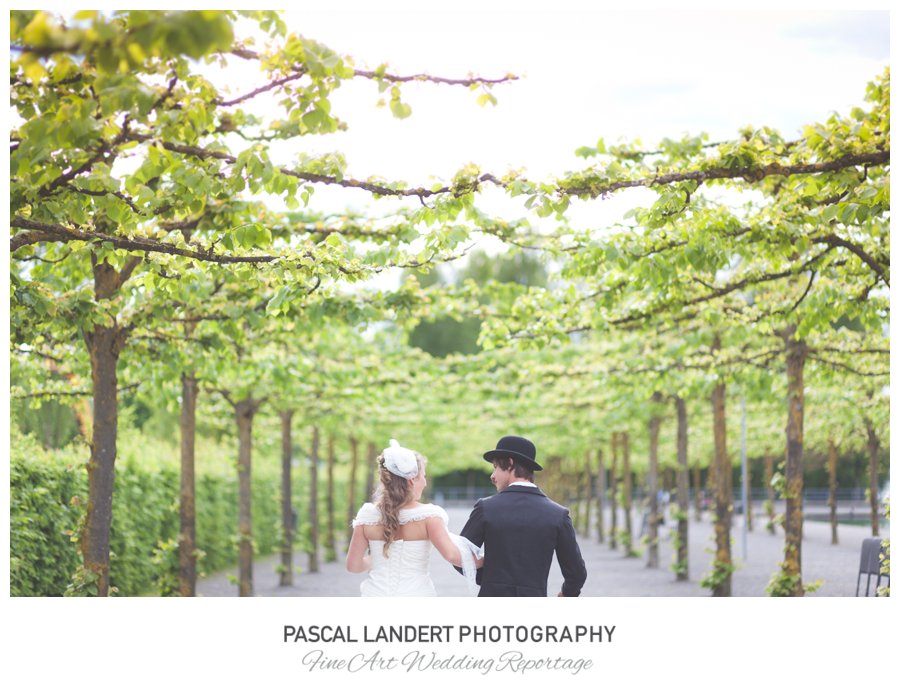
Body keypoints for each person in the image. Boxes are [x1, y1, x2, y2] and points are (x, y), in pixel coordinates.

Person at [346, 439, 481, 596]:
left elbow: (353, 566)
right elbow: (452, 555)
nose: (424, 482)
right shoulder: (429, 516)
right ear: (411, 480)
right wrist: (490, 559)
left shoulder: (367, 515)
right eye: (423, 476)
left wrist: (376, 558)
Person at [459, 435, 587, 597]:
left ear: (510, 463)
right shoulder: (558, 514)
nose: (492, 476)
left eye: (496, 467)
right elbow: (576, 573)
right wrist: (566, 594)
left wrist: (490, 579)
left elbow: (460, 556)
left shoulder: (486, 508)